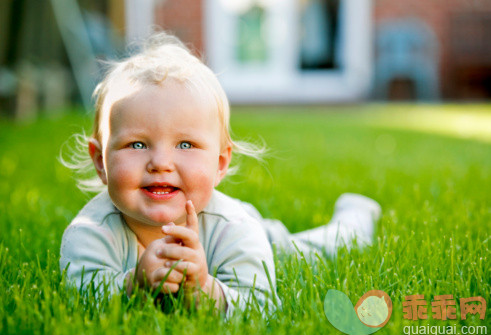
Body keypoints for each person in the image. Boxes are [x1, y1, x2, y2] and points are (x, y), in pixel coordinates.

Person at [59, 32, 381, 316]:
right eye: (137, 144)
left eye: (185, 144)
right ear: (100, 161)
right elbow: (80, 301)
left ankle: (354, 221)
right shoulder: (89, 234)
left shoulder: (236, 230)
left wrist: (204, 289)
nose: (160, 163)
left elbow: (261, 307)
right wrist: (132, 285)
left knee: (310, 251)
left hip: (253, 239)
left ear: (220, 164)